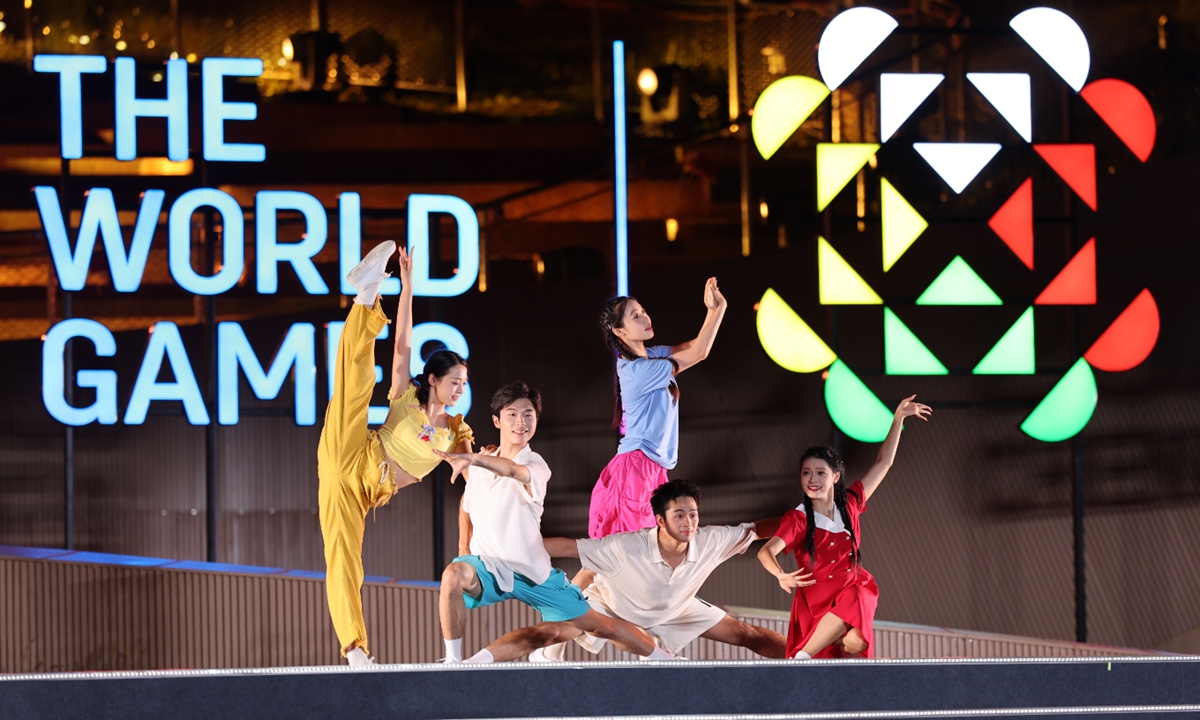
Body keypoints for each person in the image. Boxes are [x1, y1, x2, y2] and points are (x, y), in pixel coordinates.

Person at [434, 382, 672, 663]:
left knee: (599, 625)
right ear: (497, 420)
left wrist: (473, 458)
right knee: (452, 574)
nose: (520, 422)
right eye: (512, 414)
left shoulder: (536, 465)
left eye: (528, 414)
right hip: (490, 568)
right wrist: (464, 550)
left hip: (533, 571)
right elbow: (467, 506)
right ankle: (453, 662)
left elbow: (512, 470)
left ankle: (662, 657)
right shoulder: (481, 465)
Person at [318, 241, 474, 667]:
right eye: (454, 380)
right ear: (434, 380)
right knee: (354, 384)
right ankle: (367, 296)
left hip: (361, 492)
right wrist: (406, 288)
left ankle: (354, 649)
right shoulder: (406, 397)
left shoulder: (458, 430)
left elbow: (468, 462)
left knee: (346, 562)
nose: (460, 388)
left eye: (464, 382)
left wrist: (464, 461)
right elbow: (402, 343)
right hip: (352, 449)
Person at [471, 479, 788, 662]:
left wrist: (808, 523)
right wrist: (505, 549)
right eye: (679, 516)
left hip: (677, 607)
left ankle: (811, 660)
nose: (689, 522)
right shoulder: (625, 547)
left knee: (748, 634)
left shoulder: (711, 540)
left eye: (693, 514)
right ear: (660, 521)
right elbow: (567, 547)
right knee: (548, 632)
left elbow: (761, 529)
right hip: (611, 606)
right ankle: (471, 663)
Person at [757, 396, 931, 660]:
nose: (812, 479)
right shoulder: (799, 518)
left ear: (836, 476)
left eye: (820, 473)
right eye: (806, 473)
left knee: (858, 641)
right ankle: (805, 655)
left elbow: (883, 462)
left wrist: (898, 419)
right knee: (844, 649)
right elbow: (766, 552)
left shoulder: (850, 502)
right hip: (817, 601)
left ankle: (811, 650)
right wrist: (780, 574)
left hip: (851, 589)